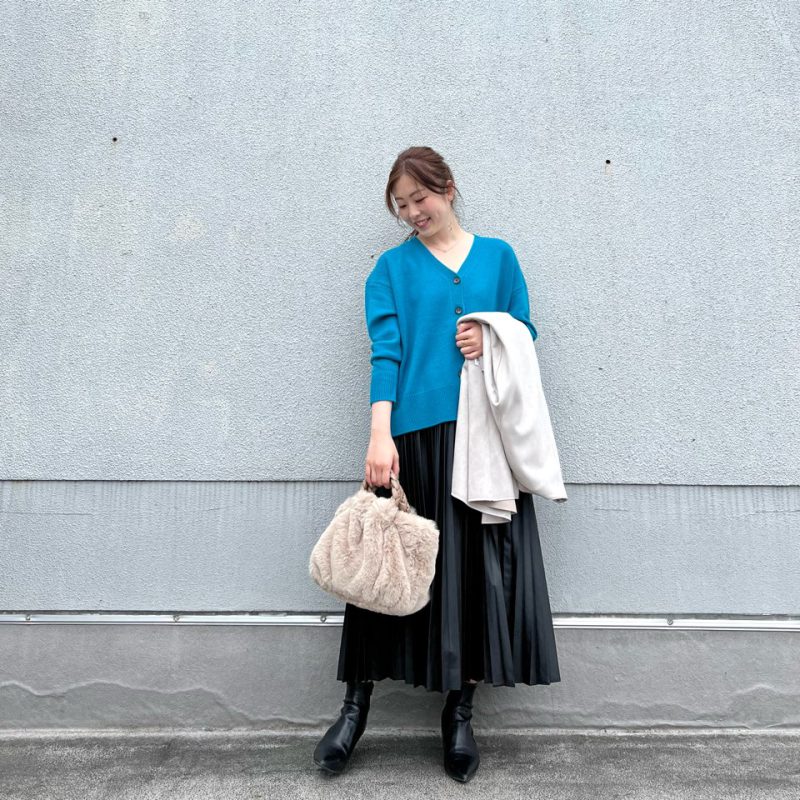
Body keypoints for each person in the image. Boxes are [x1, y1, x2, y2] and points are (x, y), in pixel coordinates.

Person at [313, 146, 561, 783]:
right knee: (385, 568)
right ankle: (354, 709)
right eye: (401, 206)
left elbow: (526, 331)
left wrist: (494, 333)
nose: (412, 213)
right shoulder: (390, 269)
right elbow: (386, 352)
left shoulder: (499, 257)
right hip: (415, 439)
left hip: (484, 439)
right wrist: (379, 435)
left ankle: (459, 714)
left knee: (472, 576)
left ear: (448, 188)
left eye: (419, 198)